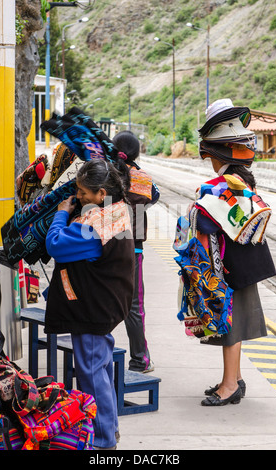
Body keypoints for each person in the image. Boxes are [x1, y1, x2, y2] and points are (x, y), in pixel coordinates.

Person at [186, 99, 276, 406]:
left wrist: (196, 208)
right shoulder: (242, 181)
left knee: (230, 325)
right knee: (232, 322)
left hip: (228, 268)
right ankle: (234, 380)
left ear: (217, 153)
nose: (209, 161)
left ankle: (229, 385)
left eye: (210, 154)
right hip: (243, 264)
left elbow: (205, 224)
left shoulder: (219, 185)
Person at [44, 159, 135, 449]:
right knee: (101, 370)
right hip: (105, 304)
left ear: (100, 193)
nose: (79, 197)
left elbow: (55, 244)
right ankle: (109, 428)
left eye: (84, 192)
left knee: (92, 375)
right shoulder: (118, 209)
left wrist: (61, 215)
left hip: (92, 309)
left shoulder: (95, 226)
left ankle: (103, 441)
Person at [112, 130, 160, 373]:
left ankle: (95, 351)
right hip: (133, 248)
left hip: (106, 245)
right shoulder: (142, 178)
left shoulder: (106, 174)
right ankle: (140, 359)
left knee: (105, 298)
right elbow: (155, 196)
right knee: (133, 306)